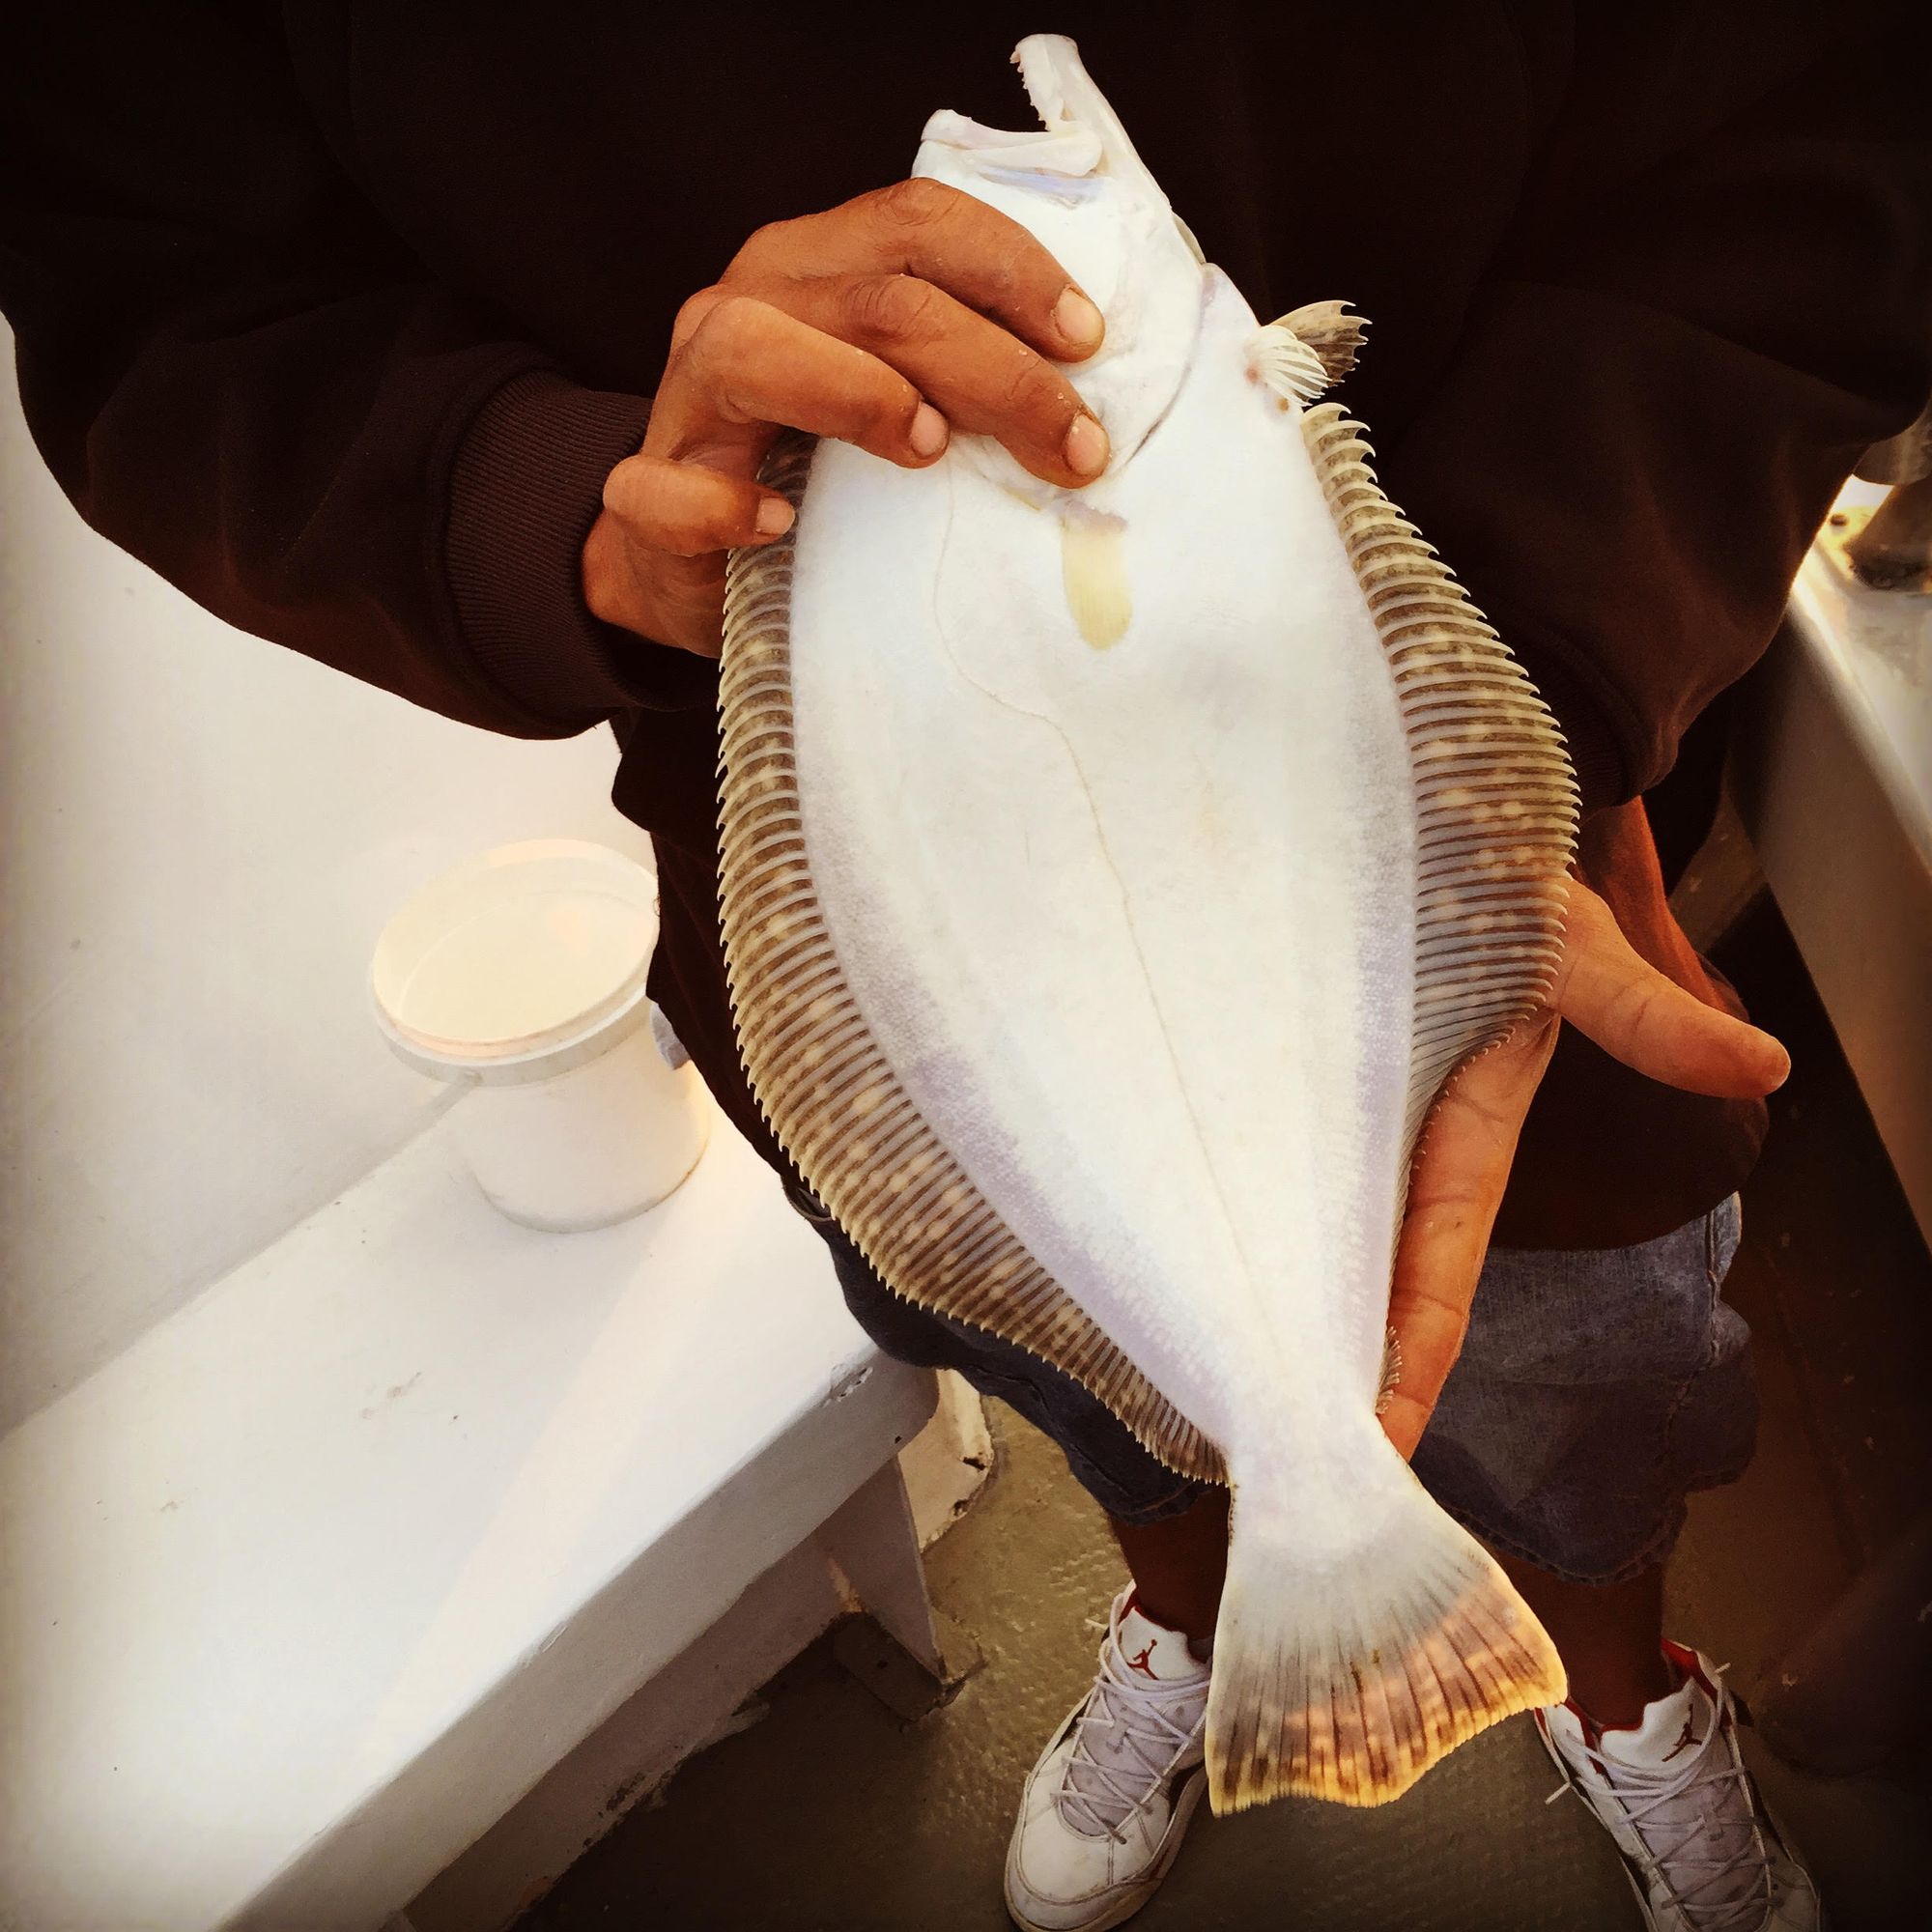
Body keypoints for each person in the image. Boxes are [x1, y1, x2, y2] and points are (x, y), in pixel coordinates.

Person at [4, 9, 1925, 1929]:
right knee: (1099, 1387)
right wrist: (559, 503)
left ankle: (1623, 1702)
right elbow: (152, 302)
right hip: (906, 963)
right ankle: (1189, 1631)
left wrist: (1525, 694)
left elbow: (1806, 110)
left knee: (1580, 1405)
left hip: (1516, 908)